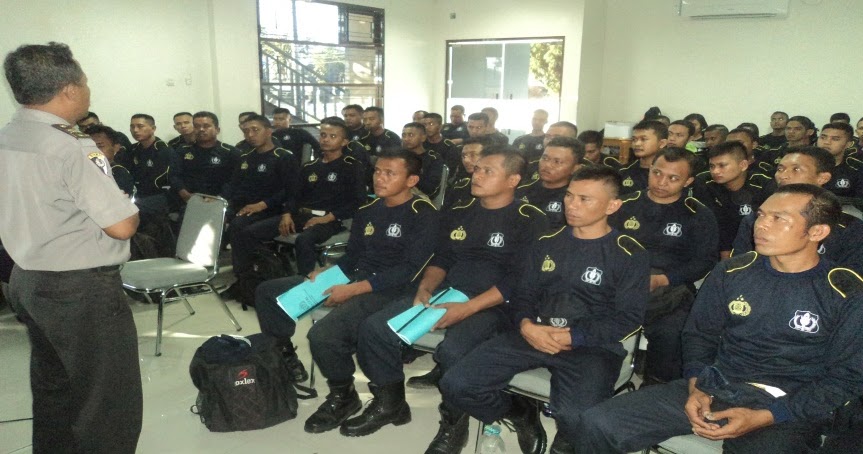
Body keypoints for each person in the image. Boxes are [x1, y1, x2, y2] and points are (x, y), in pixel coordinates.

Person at [574, 184, 863, 454]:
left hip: (790, 402)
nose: (761, 224)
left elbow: (846, 377)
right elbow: (700, 335)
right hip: (718, 384)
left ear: (816, 231)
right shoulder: (732, 272)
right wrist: (696, 385)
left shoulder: (844, 291)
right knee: (597, 423)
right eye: (762, 215)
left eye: (778, 219)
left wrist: (767, 416)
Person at [440, 166, 650, 454]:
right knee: (456, 384)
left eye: (584, 199)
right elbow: (523, 294)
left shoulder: (629, 253)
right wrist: (526, 324)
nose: (571, 205)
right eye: (569, 196)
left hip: (591, 345)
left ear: (612, 206)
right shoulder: (546, 242)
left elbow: (628, 318)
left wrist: (573, 336)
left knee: (578, 417)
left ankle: (567, 439)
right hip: (534, 332)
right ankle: (518, 412)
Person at [345, 147, 548, 440]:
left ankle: (455, 425)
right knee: (375, 329)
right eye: (476, 169)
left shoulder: (529, 219)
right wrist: (425, 288)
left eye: (487, 171)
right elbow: (441, 259)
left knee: (453, 351)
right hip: (448, 293)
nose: (476, 175)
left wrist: (468, 308)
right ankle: (390, 403)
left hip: (495, 305)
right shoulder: (459, 212)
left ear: (513, 180)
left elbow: (521, 279)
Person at [0, 42, 142, 454]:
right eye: (85, 81)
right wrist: (128, 207)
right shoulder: (72, 144)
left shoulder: (10, 136)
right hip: (79, 289)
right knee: (107, 402)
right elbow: (121, 225)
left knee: (55, 391)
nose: (88, 89)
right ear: (68, 89)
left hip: (27, 280)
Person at [254, 150, 439, 433]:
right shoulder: (368, 210)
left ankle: (343, 395)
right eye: (378, 171)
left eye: (390, 173)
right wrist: (327, 272)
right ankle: (284, 355)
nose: (379, 178)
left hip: (394, 289)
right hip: (356, 278)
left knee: (323, 335)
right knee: (269, 292)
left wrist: (352, 290)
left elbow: (410, 270)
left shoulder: (424, 214)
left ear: (411, 180)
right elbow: (352, 258)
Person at [610, 147, 718, 384]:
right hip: (617, 284)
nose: (661, 182)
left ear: (688, 181)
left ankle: (655, 388)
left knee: (673, 334)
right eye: (657, 173)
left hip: (670, 287)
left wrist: (664, 279)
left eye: (673, 178)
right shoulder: (623, 205)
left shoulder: (698, 214)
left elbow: (704, 261)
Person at [732, 146, 863, 275]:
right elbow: (739, 268)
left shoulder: (848, 227)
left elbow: (852, 278)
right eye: (780, 169)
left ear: (823, 178)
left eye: (796, 169)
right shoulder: (756, 220)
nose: (783, 176)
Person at [223, 114, 299, 288]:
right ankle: (245, 277)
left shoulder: (283, 157)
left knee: (239, 228)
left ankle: (252, 276)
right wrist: (225, 203)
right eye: (246, 131)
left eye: (255, 130)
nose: (250, 135)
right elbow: (234, 186)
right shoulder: (246, 157)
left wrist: (263, 204)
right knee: (226, 222)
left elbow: (291, 190)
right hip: (248, 208)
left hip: (274, 208)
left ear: (269, 131)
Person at [693, 141, 775, 259]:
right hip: (715, 246)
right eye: (712, 166)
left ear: (743, 165)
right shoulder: (705, 183)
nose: (715, 171)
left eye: (722, 165)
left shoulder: (763, 184)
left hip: (755, 246)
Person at [170, 111, 240, 203]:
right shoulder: (183, 150)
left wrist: (219, 198)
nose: (201, 129)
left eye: (206, 126)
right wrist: (183, 193)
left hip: (220, 200)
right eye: (197, 126)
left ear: (217, 130)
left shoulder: (230, 152)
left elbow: (235, 180)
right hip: (189, 199)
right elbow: (174, 175)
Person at [516, 136, 584, 230]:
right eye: (545, 158)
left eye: (557, 162)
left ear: (576, 168)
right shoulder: (521, 190)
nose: (547, 165)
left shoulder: (576, 199)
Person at [127, 113, 173, 220]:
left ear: (153, 129)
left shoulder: (163, 150)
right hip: (138, 194)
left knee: (129, 210)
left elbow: (162, 180)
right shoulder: (132, 149)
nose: (135, 130)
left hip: (161, 195)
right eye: (132, 127)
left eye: (140, 126)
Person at [617, 120, 668, 192]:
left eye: (643, 139)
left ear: (662, 143)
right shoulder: (623, 171)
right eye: (634, 139)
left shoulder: (671, 172)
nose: (637, 144)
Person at [817, 122, 863, 198]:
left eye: (835, 139)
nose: (827, 142)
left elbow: (860, 201)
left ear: (848, 144)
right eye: (823, 137)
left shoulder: (857, 168)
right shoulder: (803, 164)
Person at [87, 124, 135, 195]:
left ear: (116, 147)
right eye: (89, 147)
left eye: (100, 146)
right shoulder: (81, 169)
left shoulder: (118, 173)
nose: (94, 151)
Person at [441, 136, 487, 209]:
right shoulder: (459, 185)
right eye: (463, 156)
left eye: (473, 155)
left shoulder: (496, 185)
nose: (466, 160)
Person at [402, 122, 444, 198]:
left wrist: (410, 174)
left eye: (411, 135)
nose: (406, 139)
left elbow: (430, 189)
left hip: (421, 196)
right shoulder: (399, 157)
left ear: (423, 138)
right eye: (403, 135)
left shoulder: (433, 158)